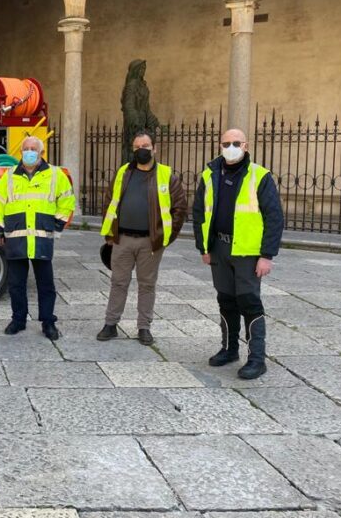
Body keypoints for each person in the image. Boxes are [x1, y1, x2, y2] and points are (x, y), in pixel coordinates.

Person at [192, 128, 284, 379]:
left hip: (247, 252)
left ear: (246, 146)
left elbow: (274, 217)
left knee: (249, 301)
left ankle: (257, 358)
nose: (230, 147)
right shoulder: (210, 175)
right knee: (225, 299)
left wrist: (267, 255)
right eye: (225, 143)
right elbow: (199, 212)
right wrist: (204, 247)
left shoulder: (260, 176)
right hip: (220, 248)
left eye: (235, 143)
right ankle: (229, 349)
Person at [97, 130, 187, 345]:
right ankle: (110, 324)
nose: (141, 150)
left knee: (147, 284)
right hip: (122, 239)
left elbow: (180, 208)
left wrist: (165, 237)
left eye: (145, 146)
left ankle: (144, 327)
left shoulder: (166, 175)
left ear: (154, 148)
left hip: (151, 242)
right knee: (118, 282)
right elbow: (110, 201)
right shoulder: (123, 173)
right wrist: (110, 234)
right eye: (137, 147)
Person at [0, 136, 75, 341]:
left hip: (41, 238)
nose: (29, 152)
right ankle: (18, 320)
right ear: (20, 153)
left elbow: (67, 200)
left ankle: (48, 322)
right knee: (16, 285)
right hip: (16, 239)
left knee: (46, 285)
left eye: (33, 149)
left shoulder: (55, 174)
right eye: (25, 149)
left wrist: (57, 224)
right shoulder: (9, 176)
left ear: (41, 153)